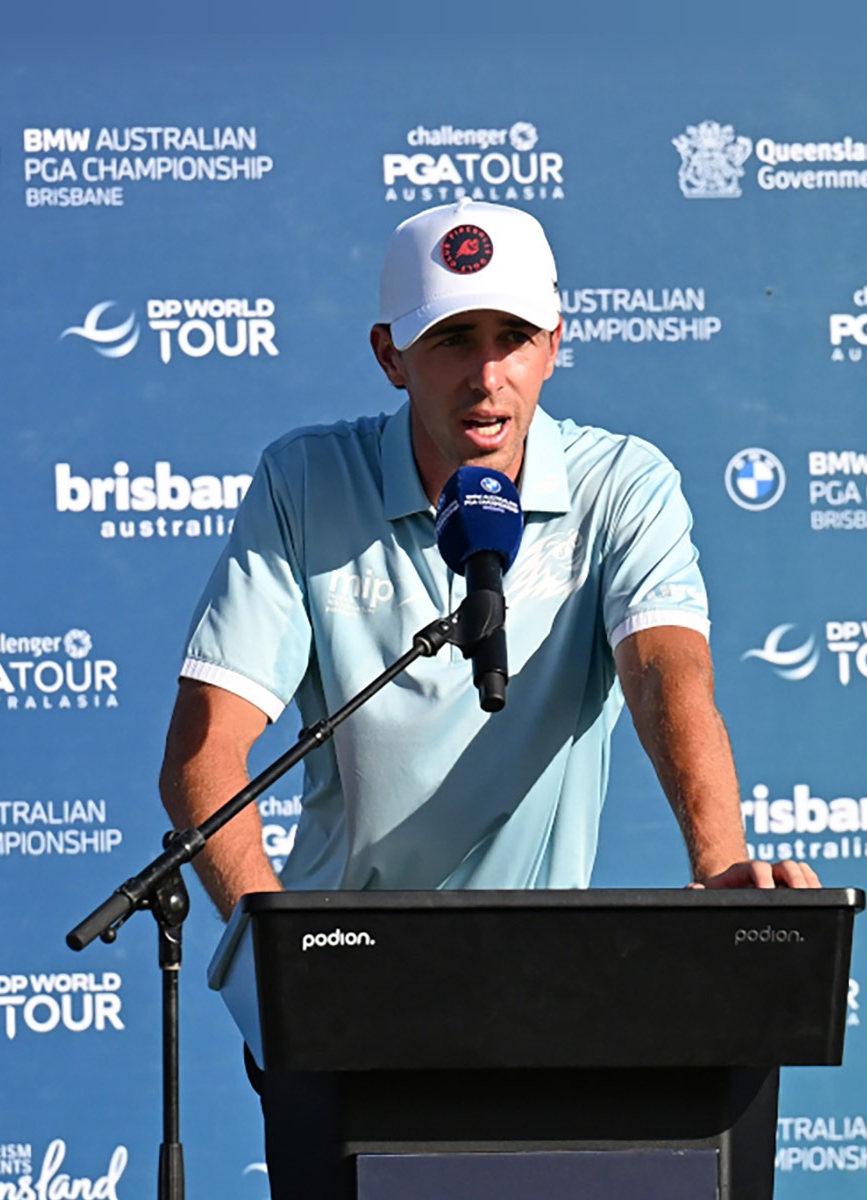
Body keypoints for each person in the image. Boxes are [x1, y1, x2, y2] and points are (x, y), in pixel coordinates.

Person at [157, 200, 819, 1194]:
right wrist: (286, 966)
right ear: (390, 356)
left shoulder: (621, 484)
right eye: (451, 339)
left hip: (550, 1002)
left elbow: (665, 674)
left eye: (512, 336)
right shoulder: (306, 482)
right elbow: (204, 755)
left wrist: (720, 870)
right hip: (346, 1001)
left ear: (555, 344)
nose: (487, 373)